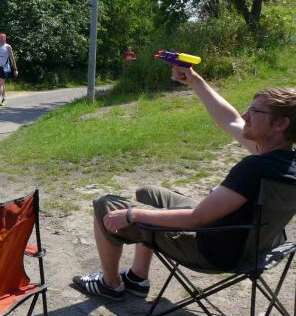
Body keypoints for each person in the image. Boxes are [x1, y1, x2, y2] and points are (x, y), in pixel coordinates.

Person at [73, 77, 296, 300]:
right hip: (250, 247)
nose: (245, 116)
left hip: (210, 250)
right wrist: (193, 79)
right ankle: (137, 278)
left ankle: (110, 284)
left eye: (255, 111)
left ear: (281, 124)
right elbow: (231, 120)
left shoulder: (253, 168)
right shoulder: (285, 164)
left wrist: (132, 215)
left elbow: (196, 219)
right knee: (148, 193)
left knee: (105, 205)